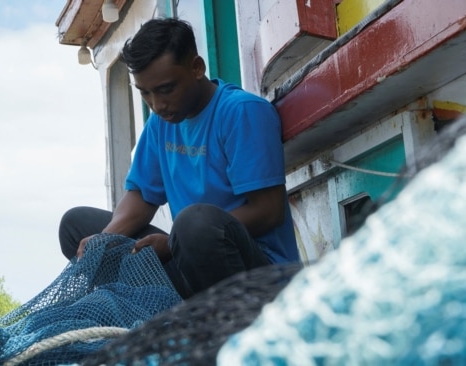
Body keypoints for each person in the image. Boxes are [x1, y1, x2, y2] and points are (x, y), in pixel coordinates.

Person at [58, 18, 299, 299]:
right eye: (145, 93)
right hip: (187, 264)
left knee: (193, 224)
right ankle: (167, 312)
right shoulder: (161, 123)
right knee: (76, 226)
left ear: (197, 68)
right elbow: (142, 197)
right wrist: (108, 238)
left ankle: (225, 324)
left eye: (166, 89)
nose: (157, 105)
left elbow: (268, 211)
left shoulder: (242, 112)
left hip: (259, 277)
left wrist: (173, 245)